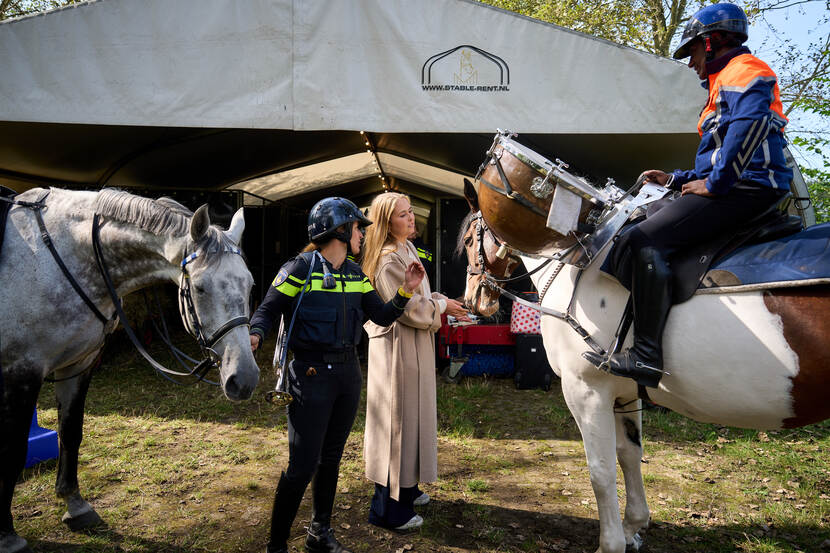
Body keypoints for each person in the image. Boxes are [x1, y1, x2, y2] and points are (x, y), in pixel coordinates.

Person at [583, 2, 793, 388]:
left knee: (642, 239)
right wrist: (678, 179)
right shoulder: (722, 82)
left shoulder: (746, 71)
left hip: (749, 187)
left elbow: (745, 132)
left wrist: (716, 185)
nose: (691, 62)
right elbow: (719, 151)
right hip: (741, 182)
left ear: (712, 42)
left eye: (693, 51)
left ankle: (646, 357)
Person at [249, 197, 425, 553]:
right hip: (310, 374)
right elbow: (268, 309)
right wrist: (255, 333)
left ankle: (319, 535)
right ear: (340, 230)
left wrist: (406, 290)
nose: (362, 234)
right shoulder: (299, 268)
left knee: (330, 459)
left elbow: (381, 316)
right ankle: (277, 545)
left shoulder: (356, 274)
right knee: (302, 465)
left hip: (347, 374)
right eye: (358, 227)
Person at [360, 192, 470, 531]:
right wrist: (441, 307)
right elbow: (408, 311)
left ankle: (407, 488)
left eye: (411, 212)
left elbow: (420, 299)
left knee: (414, 419)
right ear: (386, 222)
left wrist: (441, 300)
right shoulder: (387, 259)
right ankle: (389, 509)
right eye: (403, 215)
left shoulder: (406, 248)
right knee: (398, 423)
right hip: (397, 349)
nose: (411, 219)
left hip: (414, 347)